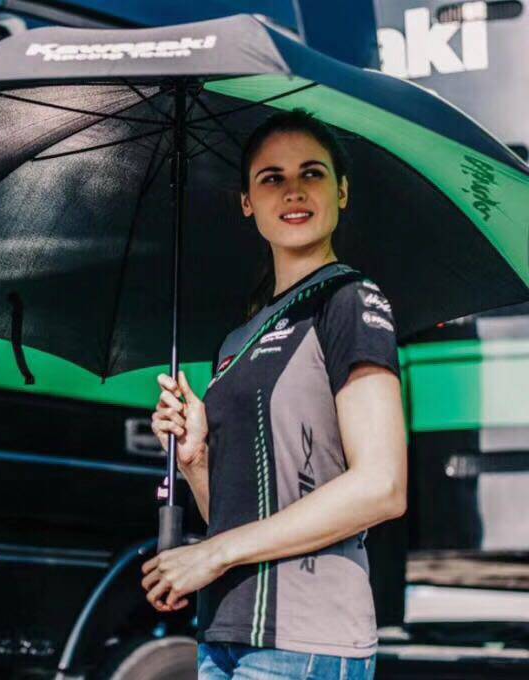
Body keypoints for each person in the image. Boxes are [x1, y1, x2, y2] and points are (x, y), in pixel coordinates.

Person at [141, 109, 407, 680]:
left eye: (311, 173)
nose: (293, 191)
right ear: (247, 202)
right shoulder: (237, 340)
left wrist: (213, 553)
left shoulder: (350, 301)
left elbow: (382, 487)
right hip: (224, 635)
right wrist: (196, 460)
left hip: (307, 642)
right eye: (271, 178)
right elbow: (233, 515)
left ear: (341, 191)